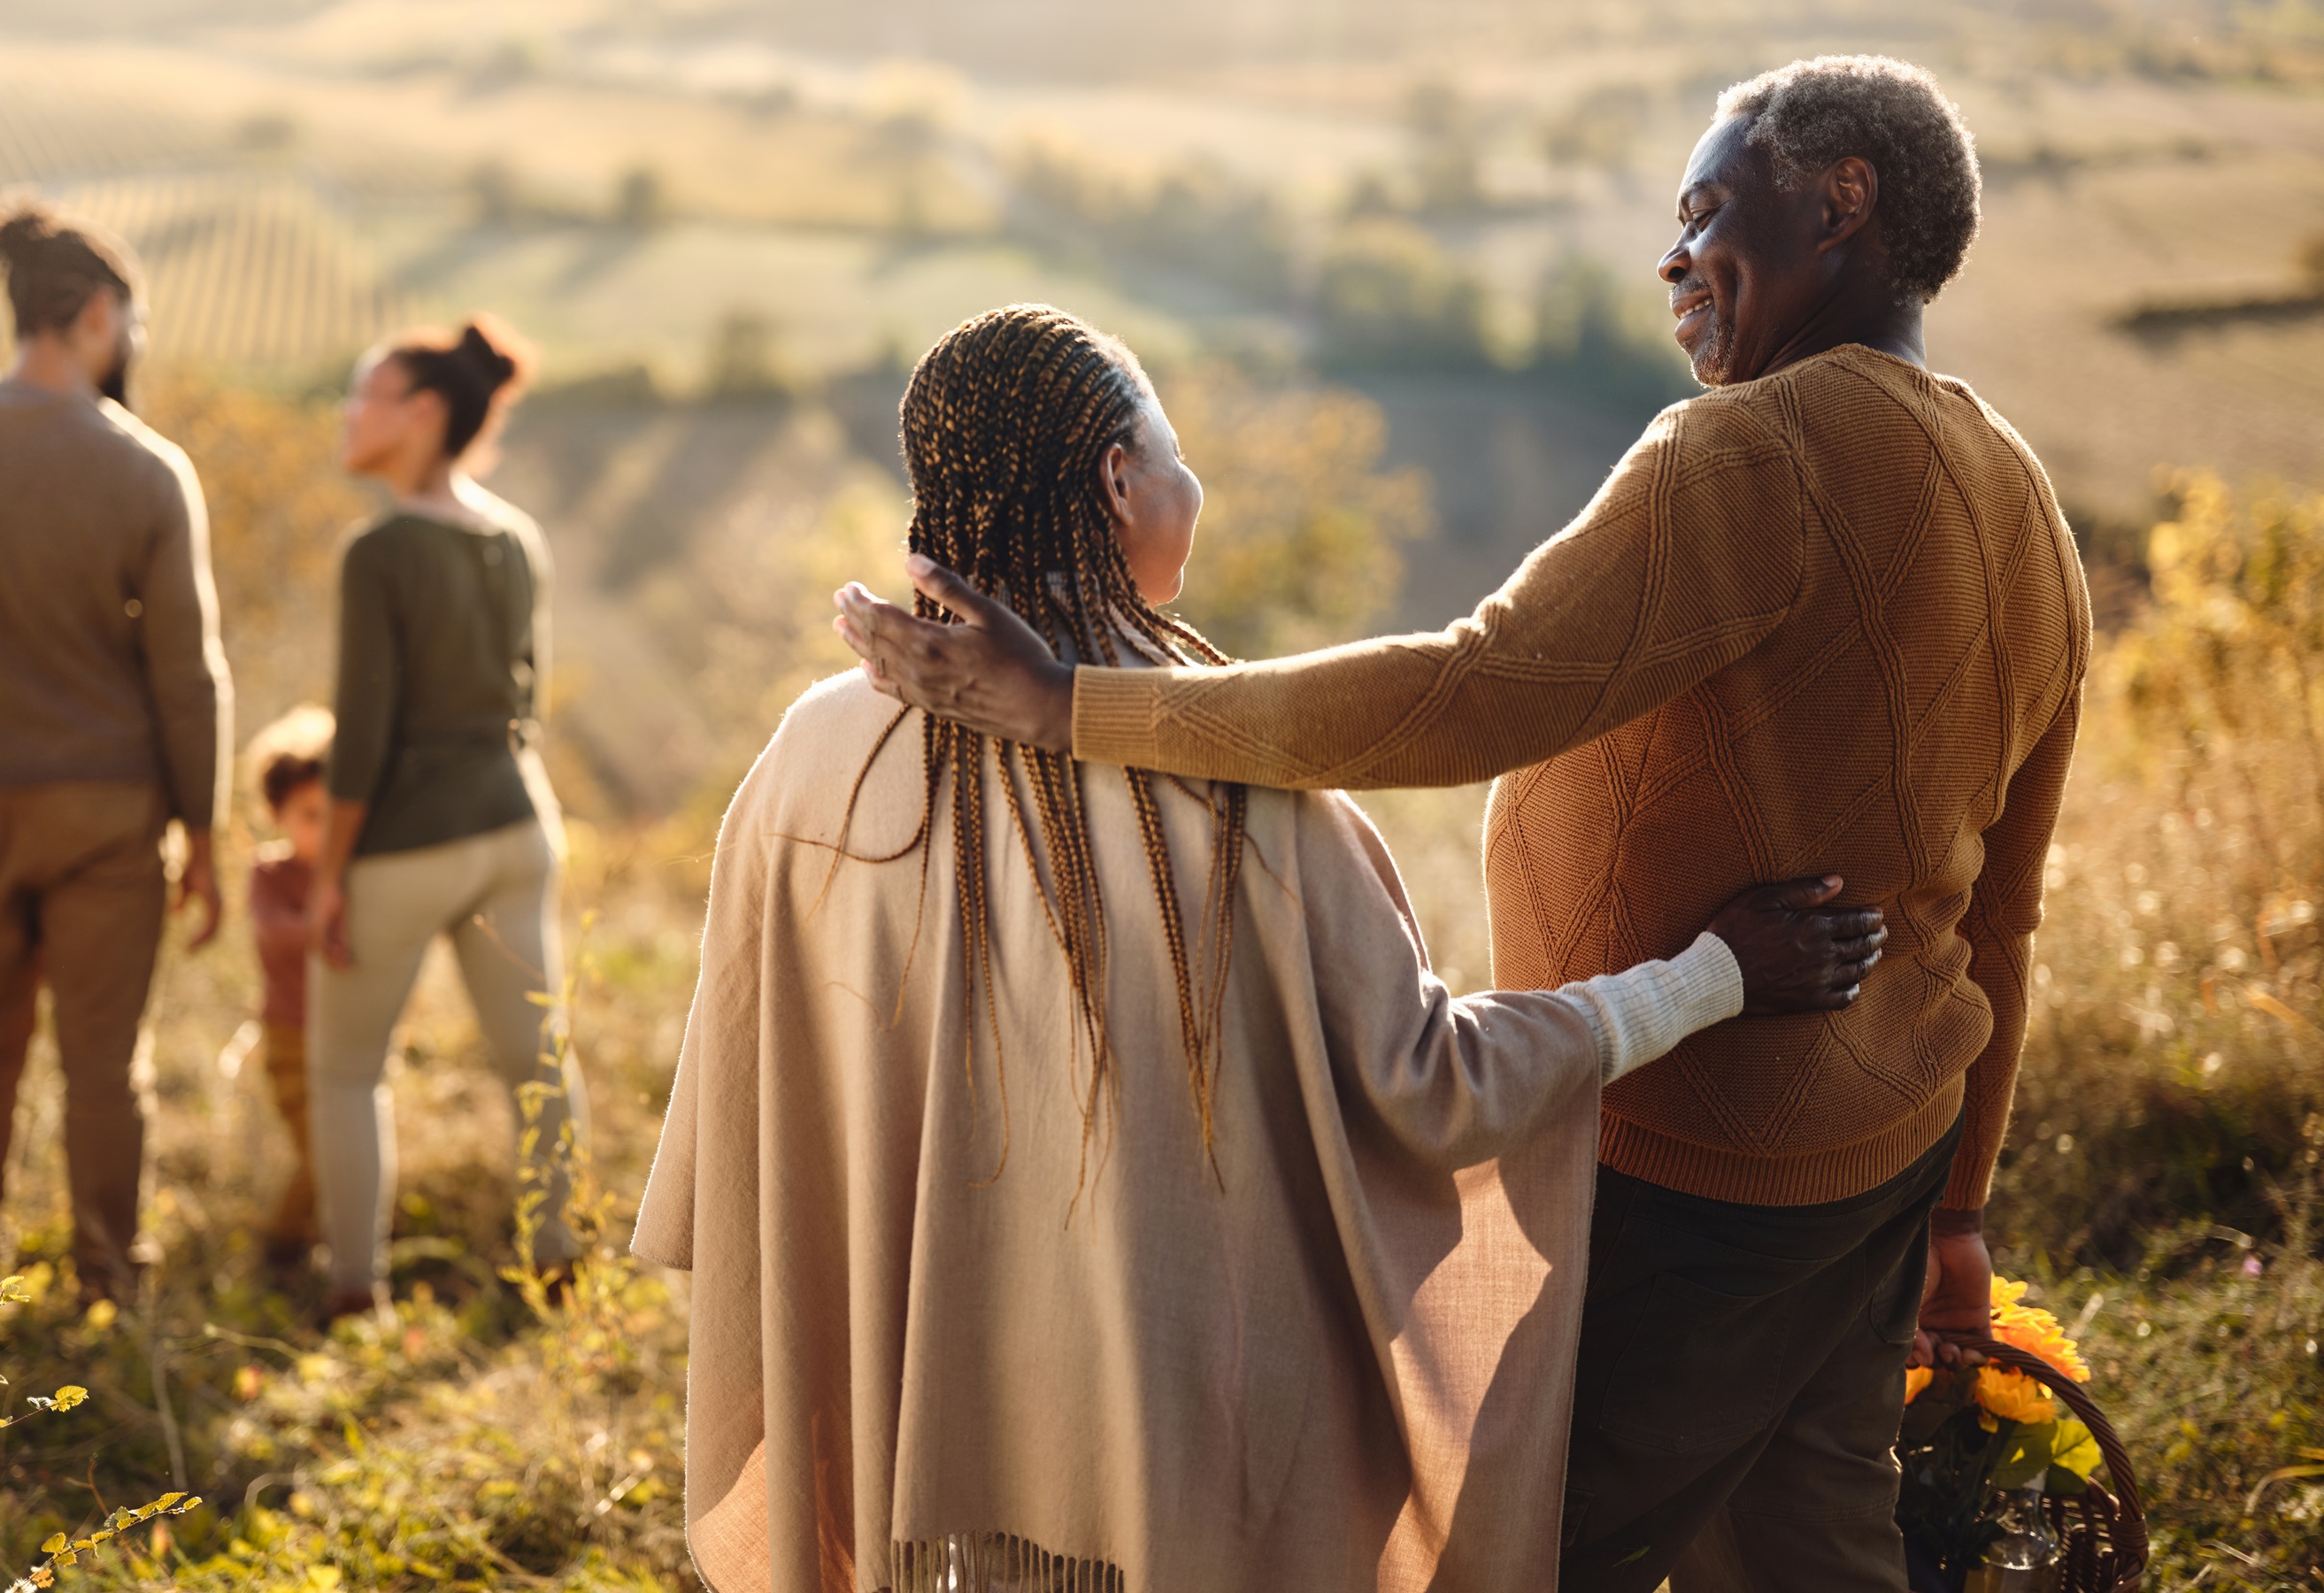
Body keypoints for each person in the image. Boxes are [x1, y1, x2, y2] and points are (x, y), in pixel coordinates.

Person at [833, 58, 2091, 1592]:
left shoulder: (1751, 454)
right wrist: (1958, 1206)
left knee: (1526, 1551)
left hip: (1703, 1169)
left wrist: (1077, 706)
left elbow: (1470, 691)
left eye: (1706, 213)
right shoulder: (2022, 490)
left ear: (1843, 202)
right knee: (1811, 1538)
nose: (1672, 258)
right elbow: (2005, 918)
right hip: (1889, 1146)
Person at [637, 304, 1887, 1593]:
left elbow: (755, 1102)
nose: (1194, 484)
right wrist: (1709, 980)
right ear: (1121, 482)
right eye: (1172, 452)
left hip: (926, 1430)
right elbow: (1439, 1089)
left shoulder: (807, 759)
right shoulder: (1246, 800)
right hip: (1158, 1458)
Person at [0, 198, 231, 1304]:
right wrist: (201, 832)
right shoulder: (147, 471)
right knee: (104, 1062)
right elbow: (187, 677)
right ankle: (109, 1281)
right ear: (100, 316)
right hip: (110, 817)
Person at [305, 316, 587, 1322]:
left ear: (423, 413)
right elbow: (530, 699)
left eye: (363, 393)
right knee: (537, 1064)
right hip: (518, 826)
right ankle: (561, 1260)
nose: (346, 414)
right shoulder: (516, 537)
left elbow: (363, 734)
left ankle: (353, 1291)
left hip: (408, 840)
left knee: (343, 1069)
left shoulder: (380, 551)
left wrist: (328, 875)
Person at [242, 705, 334, 1272]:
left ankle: (318, 1239)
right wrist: (323, 928)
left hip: (347, 1033)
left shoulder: (349, 871)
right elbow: (274, 934)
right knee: (321, 1151)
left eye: (334, 817)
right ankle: (280, 1246)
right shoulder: (270, 874)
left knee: (341, 1145)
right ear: (278, 813)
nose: (321, 831)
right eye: (308, 816)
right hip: (290, 1036)